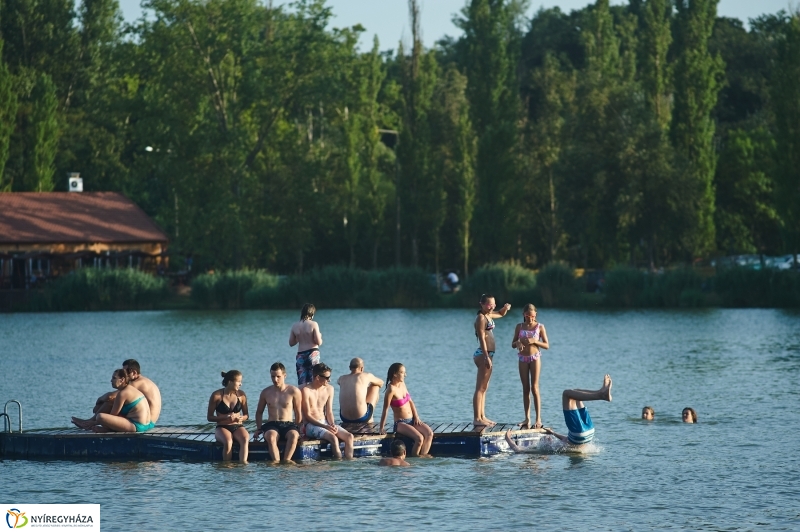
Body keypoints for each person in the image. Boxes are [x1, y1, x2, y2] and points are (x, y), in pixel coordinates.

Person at [505, 374, 612, 452]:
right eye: (545, 440)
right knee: (566, 393)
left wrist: (553, 433)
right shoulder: (548, 450)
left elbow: (565, 439)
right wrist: (507, 438)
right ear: (545, 446)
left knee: (574, 392)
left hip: (588, 433)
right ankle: (600, 395)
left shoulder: (561, 445)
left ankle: (601, 391)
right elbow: (518, 450)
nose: (547, 439)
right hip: (579, 435)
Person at [71, 359, 162, 429]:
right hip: (144, 420)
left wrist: (99, 401)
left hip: (146, 422)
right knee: (113, 402)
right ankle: (92, 422)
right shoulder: (144, 381)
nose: (124, 375)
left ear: (134, 373)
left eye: (126, 372)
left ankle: (89, 422)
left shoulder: (138, 382)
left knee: (111, 401)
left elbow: (111, 396)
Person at [378, 363, 433, 458]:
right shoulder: (390, 389)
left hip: (412, 420)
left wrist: (416, 417)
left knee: (429, 433)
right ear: (395, 374)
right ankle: (416, 458)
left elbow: (410, 402)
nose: (405, 375)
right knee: (419, 438)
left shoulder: (402, 384)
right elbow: (385, 409)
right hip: (400, 423)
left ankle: (423, 456)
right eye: (402, 372)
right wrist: (381, 427)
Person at [302, 363, 355, 459]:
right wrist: (325, 426)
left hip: (325, 423)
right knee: (333, 438)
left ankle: (349, 465)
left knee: (350, 437)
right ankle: (339, 463)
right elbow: (307, 415)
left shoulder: (330, 389)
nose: (329, 380)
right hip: (311, 425)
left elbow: (329, 411)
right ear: (317, 377)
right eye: (327, 377)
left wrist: (332, 424)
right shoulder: (306, 390)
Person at [473, 294, 511, 426]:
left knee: (484, 387)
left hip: (489, 354)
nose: (492, 307)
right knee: (479, 388)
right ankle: (477, 418)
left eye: (493, 305)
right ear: (482, 304)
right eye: (489, 305)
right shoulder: (481, 318)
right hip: (484, 354)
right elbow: (482, 339)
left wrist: (505, 308)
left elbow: (500, 314)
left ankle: (482, 416)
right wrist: (486, 356)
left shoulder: (489, 315)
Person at [253, 362, 303, 463]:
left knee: (293, 435)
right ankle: (276, 462)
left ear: (285, 376)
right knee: (271, 436)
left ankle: (286, 462)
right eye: (273, 376)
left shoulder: (294, 391)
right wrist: (259, 428)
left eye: (278, 376)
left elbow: (298, 412)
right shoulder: (266, 392)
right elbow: (259, 412)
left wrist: (299, 428)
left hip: (288, 424)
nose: (275, 379)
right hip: (272, 424)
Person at [79, 368, 154, 433]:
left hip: (136, 426)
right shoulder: (130, 389)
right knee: (106, 408)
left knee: (100, 417)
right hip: (146, 425)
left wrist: (93, 423)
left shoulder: (123, 394)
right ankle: (98, 426)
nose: (111, 380)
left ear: (122, 380)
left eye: (114, 378)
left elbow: (112, 416)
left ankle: (104, 428)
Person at [510, 304, 549, 429]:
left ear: (535, 315)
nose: (530, 318)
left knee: (535, 388)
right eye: (527, 316)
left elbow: (547, 345)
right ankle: (527, 419)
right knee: (525, 388)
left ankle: (538, 419)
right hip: (522, 358)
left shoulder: (540, 327)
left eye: (532, 316)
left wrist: (534, 341)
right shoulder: (519, 326)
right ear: (524, 315)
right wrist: (518, 343)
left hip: (535, 358)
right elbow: (512, 344)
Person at [206, 370, 250, 463]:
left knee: (245, 438)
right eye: (238, 381)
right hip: (222, 427)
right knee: (228, 441)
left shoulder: (241, 395)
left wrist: (242, 418)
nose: (241, 384)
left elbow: (246, 415)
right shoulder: (216, 395)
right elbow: (209, 417)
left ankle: (243, 465)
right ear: (230, 382)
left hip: (238, 426)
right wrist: (225, 417)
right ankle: (227, 466)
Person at [338, 358, 384, 424]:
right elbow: (381, 383)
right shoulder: (366, 376)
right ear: (362, 368)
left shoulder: (341, 378)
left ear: (349, 368)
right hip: (362, 417)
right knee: (375, 386)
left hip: (344, 418)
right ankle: (370, 419)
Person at [290, 303, 323, 386]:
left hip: (301, 354)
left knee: (302, 382)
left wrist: (299, 337)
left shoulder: (295, 326)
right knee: (314, 380)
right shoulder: (313, 324)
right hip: (313, 353)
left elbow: (291, 343)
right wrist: (320, 336)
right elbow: (318, 342)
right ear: (311, 314)